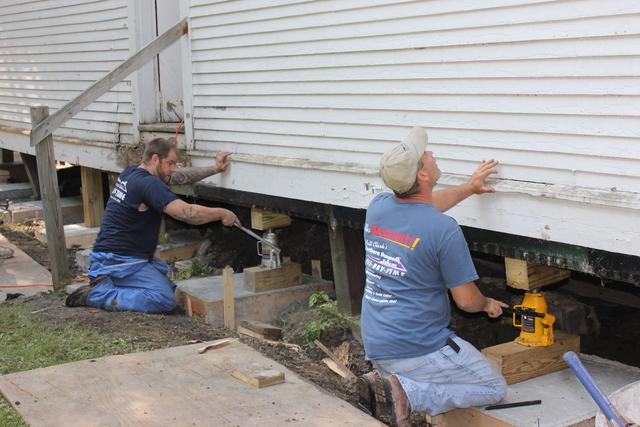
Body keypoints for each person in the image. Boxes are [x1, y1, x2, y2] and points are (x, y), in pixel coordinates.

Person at [358, 127, 508, 426]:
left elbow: (425, 209)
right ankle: (407, 394)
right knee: (494, 388)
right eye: (425, 156)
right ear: (422, 176)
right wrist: (488, 302)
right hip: (417, 348)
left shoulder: (379, 207)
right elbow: (466, 301)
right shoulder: (444, 229)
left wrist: (468, 188)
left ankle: (391, 381)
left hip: (377, 342)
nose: (431, 154)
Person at [65, 137, 240, 313]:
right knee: (166, 300)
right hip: (116, 262)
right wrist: (222, 213)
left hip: (121, 257)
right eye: (170, 163)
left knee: (172, 289)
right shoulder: (148, 184)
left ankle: (110, 283)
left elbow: (180, 176)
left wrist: (214, 169)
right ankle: (97, 294)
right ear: (155, 159)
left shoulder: (132, 173)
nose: (173, 169)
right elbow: (188, 214)